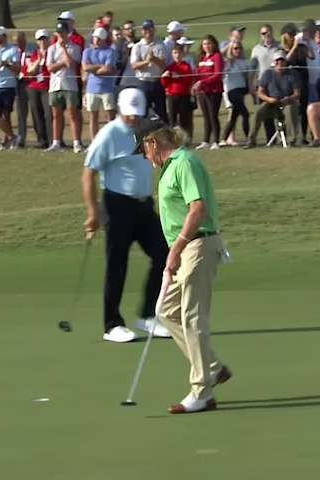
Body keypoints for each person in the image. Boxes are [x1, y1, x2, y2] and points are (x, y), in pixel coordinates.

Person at [137, 122, 231, 414]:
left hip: (199, 245)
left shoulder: (185, 162)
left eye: (143, 148)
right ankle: (212, 367)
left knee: (192, 318)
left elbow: (198, 208)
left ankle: (201, 391)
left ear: (153, 142)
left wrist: (175, 249)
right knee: (166, 311)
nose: (143, 155)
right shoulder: (169, 167)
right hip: (187, 247)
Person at [81, 88, 169, 343]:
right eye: (129, 114)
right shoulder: (108, 134)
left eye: (136, 115)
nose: (133, 119)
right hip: (117, 205)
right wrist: (92, 212)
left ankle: (147, 316)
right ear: (120, 109)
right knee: (117, 265)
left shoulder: (146, 130)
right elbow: (89, 173)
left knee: (163, 255)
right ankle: (112, 324)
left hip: (143, 206)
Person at [247, 51, 300, 148]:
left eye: (282, 60)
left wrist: (289, 98)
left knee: (290, 110)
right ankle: (251, 140)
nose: (279, 63)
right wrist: (269, 99)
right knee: (258, 113)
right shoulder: (267, 74)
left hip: (287, 103)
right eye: (277, 61)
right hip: (271, 103)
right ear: (273, 62)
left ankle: (290, 140)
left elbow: (297, 93)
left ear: (285, 62)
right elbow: (260, 92)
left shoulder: (292, 74)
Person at [45, 21, 83, 153]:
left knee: (72, 114)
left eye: (63, 33)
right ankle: (56, 142)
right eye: (58, 33)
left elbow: (72, 63)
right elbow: (50, 67)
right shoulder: (51, 49)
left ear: (67, 33)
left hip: (70, 85)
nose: (60, 36)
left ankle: (76, 142)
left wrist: (65, 50)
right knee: (56, 115)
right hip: (55, 85)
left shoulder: (75, 47)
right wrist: (62, 63)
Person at [82, 27, 117, 141]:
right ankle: (94, 141)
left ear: (103, 39)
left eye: (98, 38)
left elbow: (108, 69)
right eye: (95, 38)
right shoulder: (88, 51)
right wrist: (100, 66)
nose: (96, 40)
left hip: (107, 88)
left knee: (110, 116)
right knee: (93, 117)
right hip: (91, 89)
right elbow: (85, 67)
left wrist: (94, 69)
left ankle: (110, 141)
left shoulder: (110, 51)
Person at [130, 20, 167, 120]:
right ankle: (143, 135)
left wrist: (154, 59)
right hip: (143, 83)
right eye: (145, 29)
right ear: (142, 31)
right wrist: (146, 62)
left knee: (161, 113)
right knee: (142, 113)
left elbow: (163, 64)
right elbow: (134, 65)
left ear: (154, 30)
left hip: (157, 82)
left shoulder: (160, 44)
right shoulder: (137, 46)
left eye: (150, 29)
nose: (148, 32)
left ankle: (162, 135)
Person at [280, 23, 311, 144]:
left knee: (304, 109)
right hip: (290, 82)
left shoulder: (301, 47)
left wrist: (305, 45)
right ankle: (291, 136)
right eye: (291, 34)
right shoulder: (281, 49)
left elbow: (311, 56)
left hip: (303, 80)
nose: (293, 37)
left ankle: (303, 136)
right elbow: (286, 61)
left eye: (294, 34)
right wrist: (294, 47)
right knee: (292, 109)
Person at [193, 35, 223, 149]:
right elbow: (197, 73)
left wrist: (203, 82)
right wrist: (195, 84)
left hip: (214, 91)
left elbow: (217, 75)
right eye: (205, 44)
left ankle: (216, 141)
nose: (207, 46)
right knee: (206, 116)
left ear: (214, 44)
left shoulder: (217, 57)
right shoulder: (201, 58)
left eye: (209, 43)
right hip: (202, 92)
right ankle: (205, 141)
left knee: (213, 115)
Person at [161, 45, 194, 139]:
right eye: (175, 53)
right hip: (172, 96)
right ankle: (172, 139)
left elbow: (189, 80)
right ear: (172, 54)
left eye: (179, 53)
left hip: (184, 95)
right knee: (172, 118)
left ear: (183, 54)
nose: (177, 55)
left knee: (184, 119)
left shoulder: (186, 66)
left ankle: (185, 139)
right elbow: (165, 84)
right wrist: (164, 77)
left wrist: (179, 77)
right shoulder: (170, 67)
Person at [26, 29, 51, 149]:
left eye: (44, 39)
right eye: (40, 39)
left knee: (48, 113)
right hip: (34, 86)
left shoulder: (52, 52)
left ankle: (51, 139)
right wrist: (38, 61)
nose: (42, 42)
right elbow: (30, 71)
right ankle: (41, 140)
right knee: (36, 113)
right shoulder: (34, 54)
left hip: (47, 86)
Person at [221, 41, 250, 146]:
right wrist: (229, 46)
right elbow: (219, 55)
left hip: (242, 90)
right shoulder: (227, 62)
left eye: (239, 48)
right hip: (232, 91)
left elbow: (248, 76)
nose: (237, 50)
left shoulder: (244, 62)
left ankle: (223, 139)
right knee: (245, 114)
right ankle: (248, 138)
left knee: (234, 116)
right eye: (235, 48)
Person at [13, 31, 32, 149]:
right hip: (19, 84)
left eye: (19, 41)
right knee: (21, 112)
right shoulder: (14, 52)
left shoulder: (30, 50)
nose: (17, 44)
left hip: (31, 82)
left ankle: (43, 138)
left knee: (36, 111)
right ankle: (21, 138)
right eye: (15, 42)